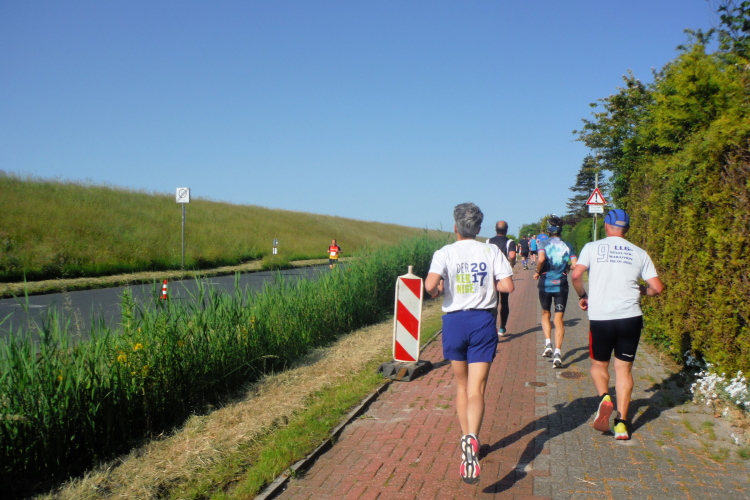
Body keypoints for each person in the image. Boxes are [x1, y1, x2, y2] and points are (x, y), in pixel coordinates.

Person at [425, 203, 514, 484]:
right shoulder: (491, 251)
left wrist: (441, 288)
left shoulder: (445, 253)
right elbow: (508, 286)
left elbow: (430, 286)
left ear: (455, 227)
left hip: (454, 322)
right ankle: (473, 437)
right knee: (477, 388)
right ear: (478, 228)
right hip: (482, 322)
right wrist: (488, 285)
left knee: (462, 386)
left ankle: (466, 441)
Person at [571, 209, 663, 440]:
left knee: (598, 365)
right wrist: (641, 290)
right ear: (627, 229)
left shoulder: (592, 247)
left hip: (601, 317)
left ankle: (604, 397)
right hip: (630, 317)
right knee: (624, 370)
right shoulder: (639, 252)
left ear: (606, 226)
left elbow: (576, 275)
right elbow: (657, 288)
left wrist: (583, 295)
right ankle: (621, 424)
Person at [534, 216, 577, 368]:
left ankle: (548, 344)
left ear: (549, 230)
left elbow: (541, 260)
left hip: (545, 284)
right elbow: (575, 264)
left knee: (546, 313)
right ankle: (558, 353)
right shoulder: (568, 245)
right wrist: (568, 267)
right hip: (561, 285)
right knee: (559, 319)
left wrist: (537, 272)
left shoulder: (543, 243)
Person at [487, 221, 516, 337]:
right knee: (504, 302)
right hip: (504, 275)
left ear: (495, 229)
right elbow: (512, 255)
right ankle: (502, 328)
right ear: (506, 230)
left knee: (493, 302)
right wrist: (512, 263)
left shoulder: (488, 241)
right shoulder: (510, 242)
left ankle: (492, 326)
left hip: (491, 275)